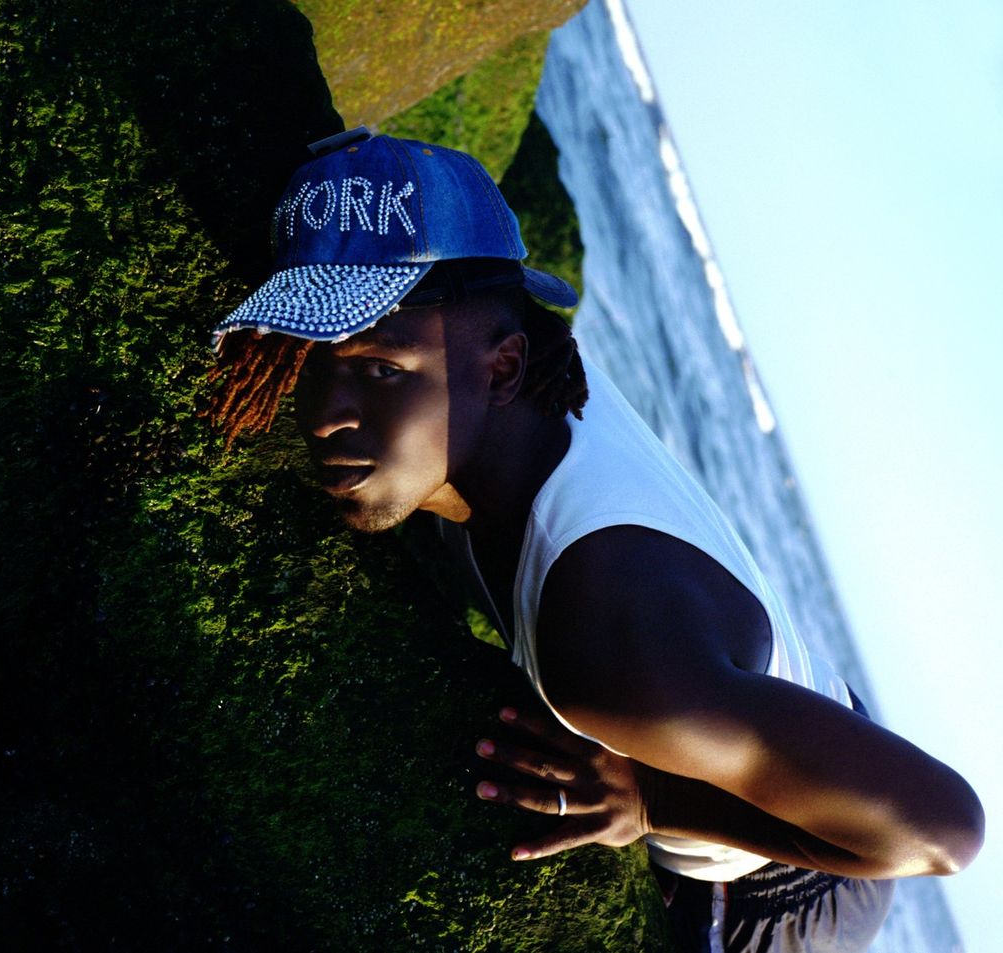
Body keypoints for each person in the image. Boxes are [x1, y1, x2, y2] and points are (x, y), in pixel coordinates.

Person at [202, 127, 984, 952]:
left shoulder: (608, 650)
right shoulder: (523, 383)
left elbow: (942, 830)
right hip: (794, 712)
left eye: (380, 368)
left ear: (504, 368)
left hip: (791, 872)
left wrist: (649, 801)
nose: (326, 416)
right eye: (309, 357)